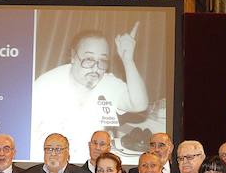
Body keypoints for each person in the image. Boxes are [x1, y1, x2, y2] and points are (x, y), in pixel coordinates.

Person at [31, 27, 149, 163]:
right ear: (73, 56)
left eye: (102, 61)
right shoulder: (46, 84)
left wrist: (128, 60)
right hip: (53, 165)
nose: (95, 68)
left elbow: (139, 104)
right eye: (88, 59)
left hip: (91, 167)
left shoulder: (108, 83)